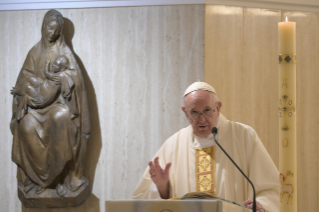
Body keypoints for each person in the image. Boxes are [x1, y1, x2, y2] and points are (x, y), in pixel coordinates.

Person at [133, 82, 280, 212]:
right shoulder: (173, 145)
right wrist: (162, 188)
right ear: (185, 112)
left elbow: (269, 188)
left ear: (218, 108)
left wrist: (260, 205)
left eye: (207, 110)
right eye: (194, 112)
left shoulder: (243, 136)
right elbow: (144, 199)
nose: (202, 119)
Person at [10, 9, 90, 197]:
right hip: (36, 106)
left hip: (58, 105)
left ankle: (58, 179)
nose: (52, 33)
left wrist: (62, 77)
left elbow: (77, 82)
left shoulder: (65, 53)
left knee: (60, 118)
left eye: (56, 30)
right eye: (50, 28)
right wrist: (27, 91)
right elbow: (23, 79)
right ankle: (39, 179)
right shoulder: (34, 53)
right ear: (43, 26)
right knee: (25, 125)